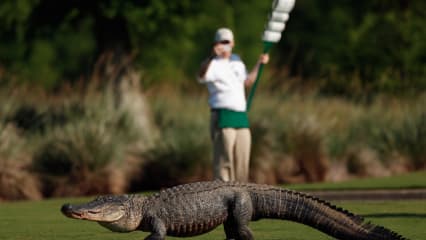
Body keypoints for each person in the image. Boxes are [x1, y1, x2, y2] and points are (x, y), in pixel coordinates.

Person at [198, 28, 269, 182]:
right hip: (222, 115)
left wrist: (259, 63)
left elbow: (248, 81)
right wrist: (212, 56)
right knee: (224, 161)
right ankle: (223, 197)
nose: (225, 45)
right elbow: (201, 75)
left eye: (227, 42)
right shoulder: (212, 64)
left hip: (240, 116)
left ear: (233, 43)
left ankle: (241, 195)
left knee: (242, 159)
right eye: (221, 42)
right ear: (216, 44)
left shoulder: (237, 61)